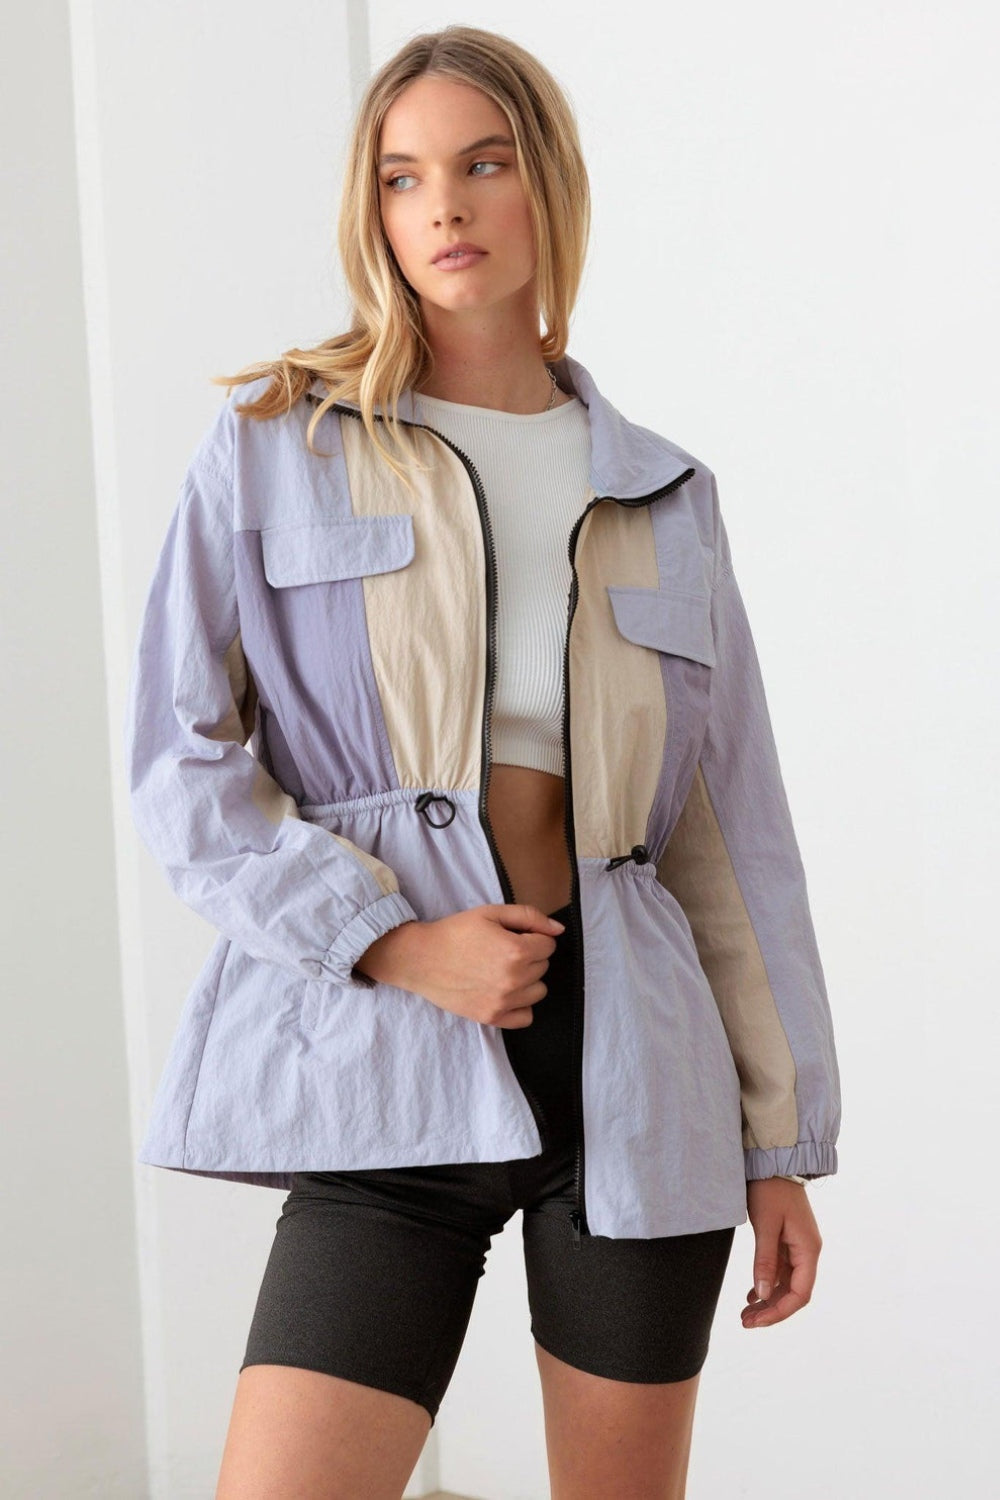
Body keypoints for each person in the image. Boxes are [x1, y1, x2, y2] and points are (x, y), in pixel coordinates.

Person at [124, 23, 842, 1500]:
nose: (441, 206)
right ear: (373, 214)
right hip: (394, 1052)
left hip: (637, 1074)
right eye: (402, 178)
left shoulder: (664, 490)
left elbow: (726, 838)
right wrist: (388, 943)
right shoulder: (278, 445)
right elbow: (180, 760)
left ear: (545, 189)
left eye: (481, 164)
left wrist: (782, 1141)